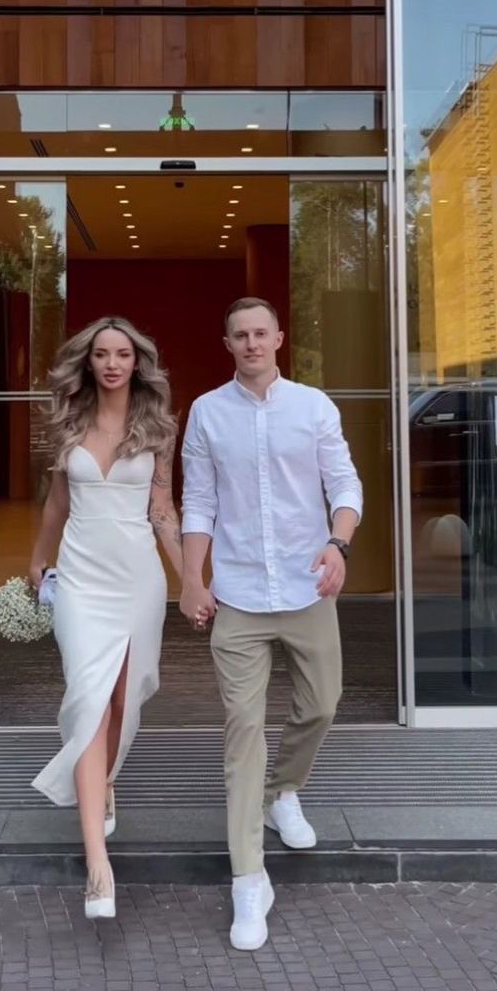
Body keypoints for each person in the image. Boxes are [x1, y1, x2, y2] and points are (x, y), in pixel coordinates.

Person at [180, 297, 362, 951]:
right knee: (242, 734)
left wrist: (337, 546)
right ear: (227, 343)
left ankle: (285, 790)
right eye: (240, 335)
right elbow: (197, 501)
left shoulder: (313, 406)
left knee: (322, 706)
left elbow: (345, 486)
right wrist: (192, 579)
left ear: (278, 337)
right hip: (239, 597)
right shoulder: (206, 412)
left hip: (308, 586)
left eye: (262, 332)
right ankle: (249, 881)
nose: (252, 343)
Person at [29, 317, 181, 920]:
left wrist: (194, 577)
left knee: (121, 700)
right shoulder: (68, 422)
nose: (112, 363)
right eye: (101, 354)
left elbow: (164, 510)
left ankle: (107, 778)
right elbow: (58, 502)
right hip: (81, 580)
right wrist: (37, 560)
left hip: (138, 579)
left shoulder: (159, 428)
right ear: (88, 362)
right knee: (89, 699)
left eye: (122, 354)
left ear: (137, 363)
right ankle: (98, 865)